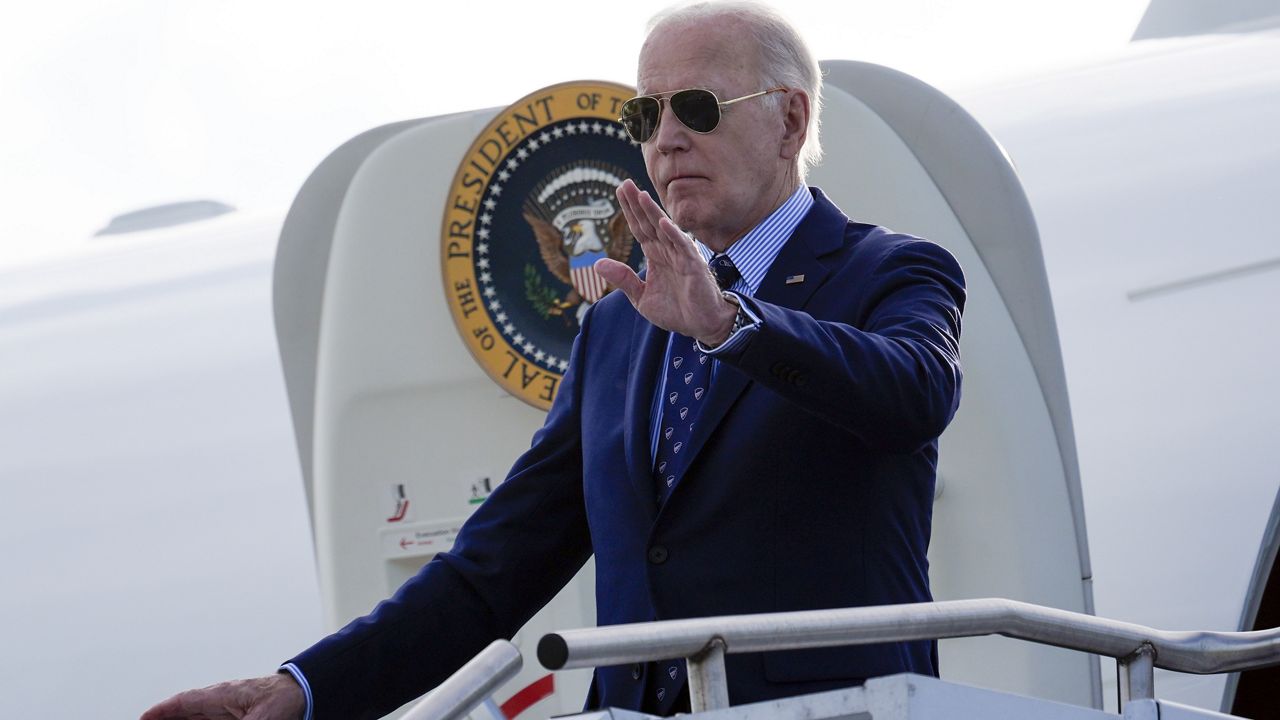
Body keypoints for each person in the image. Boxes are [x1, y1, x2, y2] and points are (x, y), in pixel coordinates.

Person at [141, 2, 965, 718]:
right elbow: (491, 570)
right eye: (646, 117)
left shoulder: (891, 271)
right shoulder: (620, 326)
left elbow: (915, 391)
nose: (668, 138)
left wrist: (731, 326)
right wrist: (305, 689)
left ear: (790, 119)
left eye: (698, 108)